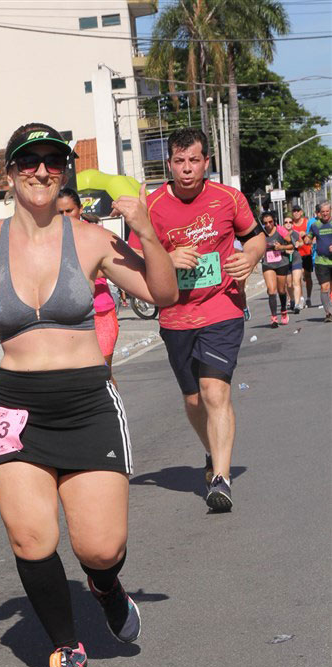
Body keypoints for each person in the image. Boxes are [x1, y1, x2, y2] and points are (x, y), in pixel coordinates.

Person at [0, 122, 177, 667]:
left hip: (86, 402)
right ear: (10, 173)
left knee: (101, 547)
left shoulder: (91, 239)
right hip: (16, 405)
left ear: (64, 171)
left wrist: (147, 233)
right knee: (31, 539)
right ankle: (65, 646)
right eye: (30, 162)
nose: (42, 171)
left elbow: (163, 294)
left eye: (54, 161)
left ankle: (105, 586)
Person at [128, 127, 265, 512]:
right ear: (169, 164)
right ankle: (212, 450)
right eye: (179, 161)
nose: (187, 169)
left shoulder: (228, 198)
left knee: (214, 391)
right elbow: (134, 262)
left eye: (194, 161)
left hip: (222, 307)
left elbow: (255, 237)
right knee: (192, 398)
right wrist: (166, 259)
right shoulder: (151, 205)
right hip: (176, 315)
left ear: (207, 162)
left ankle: (221, 479)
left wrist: (250, 257)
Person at [57, 186, 120, 377]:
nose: (65, 216)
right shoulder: (50, 240)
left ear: (80, 209)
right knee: (76, 375)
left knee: (103, 373)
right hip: (68, 317)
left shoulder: (96, 234)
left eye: (69, 211)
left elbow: (113, 267)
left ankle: (111, 397)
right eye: (60, 212)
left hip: (101, 313)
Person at [260, 212, 293, 328]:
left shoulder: (280, 230)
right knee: (271, 290)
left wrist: (281, 247)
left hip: (281, 263)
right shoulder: (261, 233)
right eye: (265, 223)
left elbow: (291, 245)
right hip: (268, 263)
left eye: (270, 222)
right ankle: (274, 318)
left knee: (281, 290)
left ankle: (283, 310)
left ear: (274, 221)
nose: (268, 225)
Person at [303, 200, 332, 322]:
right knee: (325, 287)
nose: (325, 214)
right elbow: (309, 237)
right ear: (319, 212)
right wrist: (306, 239)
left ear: (330, 211)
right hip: (321, 261)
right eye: (322, 211)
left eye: (327, 211)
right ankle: (328, 313)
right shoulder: (315, 225)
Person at [291, 204, 313, 307]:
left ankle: (308, 297)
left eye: (297, 211)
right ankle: (301, 298)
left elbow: (312, 235)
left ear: (301, 212)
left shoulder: (306, 222)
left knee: (307, 276)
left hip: (307, 253)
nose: (295, 213)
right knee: (298, 277)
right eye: (294, 211)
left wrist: (305, 234)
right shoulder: (290, 224)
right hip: (296, 254)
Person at [282, 215, 303, 313]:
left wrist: (299, 244)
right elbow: (276, 246)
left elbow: (301, 242)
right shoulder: (280, 234)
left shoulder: (296, 233)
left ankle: (297, 305)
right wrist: (284, 250)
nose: (288, 224)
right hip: (285, 260)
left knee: (296, 282)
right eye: (286, 222)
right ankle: (292, 299)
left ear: (292, 224)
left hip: (296, 259)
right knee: (289, 284)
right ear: (283, 224)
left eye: (290, 222)